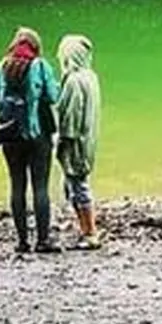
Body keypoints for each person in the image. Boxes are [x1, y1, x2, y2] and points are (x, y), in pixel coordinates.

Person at [0, 27, 61, 254]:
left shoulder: (0, 68)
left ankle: (22, 242)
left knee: (16, 185)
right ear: (36, 46)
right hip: (38, 133)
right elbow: (52, 96)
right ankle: (43, 240)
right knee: (40, 186)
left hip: (9, 133)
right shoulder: (40, 66)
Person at [55, 34, 102, 250]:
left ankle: (90, 233)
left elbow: (71, 116)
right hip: (88, 137)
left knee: (78, 186)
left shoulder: (74, 81)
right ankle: (84, 228)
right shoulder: (90, 76)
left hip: (76, 142)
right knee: (72, 185)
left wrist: (63, 139)